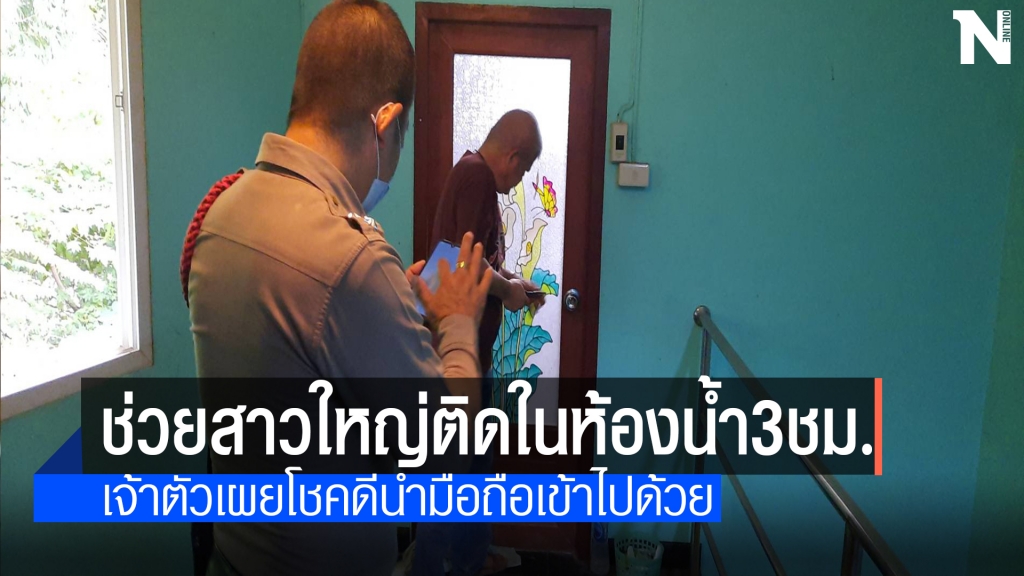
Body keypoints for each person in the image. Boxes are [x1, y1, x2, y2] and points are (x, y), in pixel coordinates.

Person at [183, 1, 491, 575]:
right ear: (386, 122)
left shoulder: (223, 211)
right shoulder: (351, 257)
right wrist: (456, 323)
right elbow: (443, 449)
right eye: (401, 137)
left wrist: (392, 304)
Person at [413, 111, 546, 576]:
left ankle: (469, 558)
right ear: (513, 156)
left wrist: (513, 281)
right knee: (449, 476)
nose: (520, 180)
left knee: (471, 470)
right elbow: (462, 263)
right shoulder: (476, 178)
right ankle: (434, 565)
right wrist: (507, 292)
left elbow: (475, 258)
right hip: (456, 356)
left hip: (468, 355)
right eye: (524, 170)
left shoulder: (472, 177)